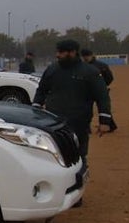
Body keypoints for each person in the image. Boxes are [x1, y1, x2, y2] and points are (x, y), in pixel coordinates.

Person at [33, 39, 115, 177]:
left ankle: (77, 191)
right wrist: (35, 109)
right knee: (55, 156)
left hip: (79, 123)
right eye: (57, 52)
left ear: (72, 52)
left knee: (78, 158)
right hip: (53, 123)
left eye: (61, 52)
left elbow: (102, 97)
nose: (57, 55)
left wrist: (104, 121)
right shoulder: (52, 69)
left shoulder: (90, 72)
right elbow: (41, 90)